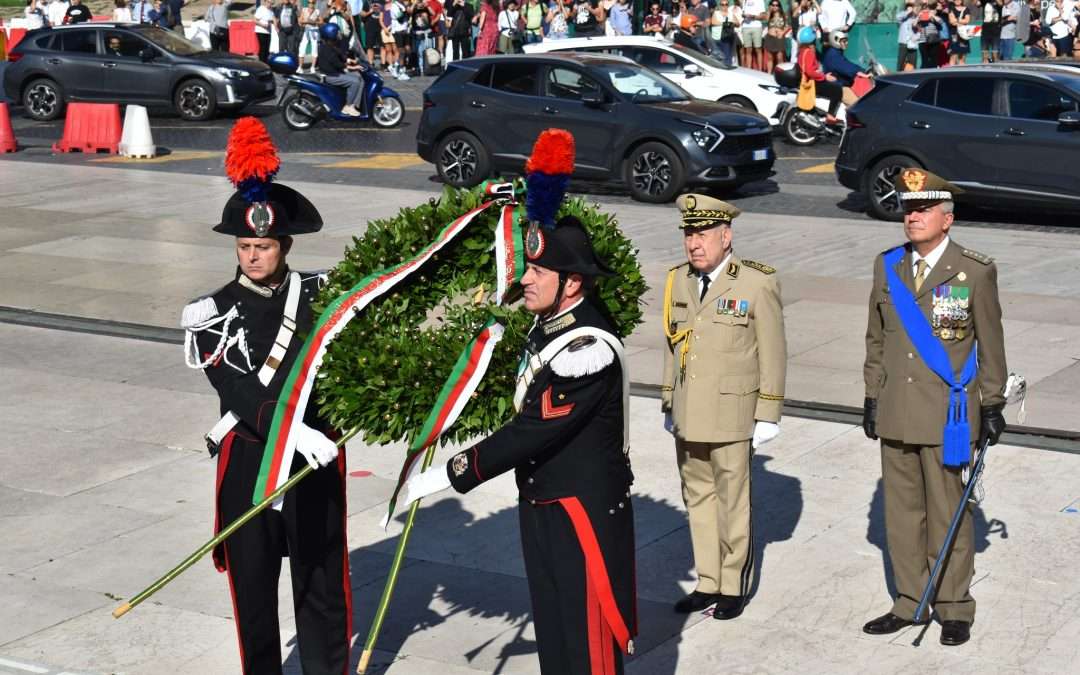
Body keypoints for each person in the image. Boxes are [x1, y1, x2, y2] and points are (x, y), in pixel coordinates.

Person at [401, 202, 637, 675]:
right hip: (544, 502)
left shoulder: (586, 348)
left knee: (586, 641)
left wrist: (454, 471)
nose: (525, 279)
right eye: (528, 267)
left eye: (538, 270)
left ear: (571, 283)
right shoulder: (551, 325)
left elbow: (534, 428)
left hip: (579, 512)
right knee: (555, 632)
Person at [181, 119, 352, 674]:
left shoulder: (320, 296)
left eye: (264, 246)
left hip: (310, 465)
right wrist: (289, 428)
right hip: (252, 467)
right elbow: (234, 387)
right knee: (255, 602)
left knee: (320, 591)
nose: (253, 256)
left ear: (285, 246)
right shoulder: (210, 315)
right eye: (245, 245)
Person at [862, 168, 1007, 648]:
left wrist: (992, 403)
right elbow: (876, 341)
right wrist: (871, 396)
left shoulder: (974, 271)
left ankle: (953, 607)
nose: (912, 217)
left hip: (948, 415)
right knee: (901, 514)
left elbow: (990, 343)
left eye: (922, 209)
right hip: (897, 409)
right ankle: (910, 602)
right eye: (908, 209)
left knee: (948, 512)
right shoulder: (889, 266)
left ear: (948, 218)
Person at [662, 194, 786, 621]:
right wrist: (667, 400)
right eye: (689, 234)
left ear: (726, 235)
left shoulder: (756, 282)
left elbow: (773, 351)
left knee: (733, 501)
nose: (694, 244)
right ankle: (708, 580)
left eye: (702, 234)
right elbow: (672, 346)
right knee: (697, 496)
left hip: (733, 413)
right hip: (689, 411)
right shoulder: (677, 280)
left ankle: (733, 584)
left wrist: (768, 412)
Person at [796, 25, 843, 123]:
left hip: (813, 79)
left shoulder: (802, 51)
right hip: (812, 82)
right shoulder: (808, 52)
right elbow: (809, 71)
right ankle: (830, 115)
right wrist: (824, 76)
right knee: (837, 89)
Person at [318, 22, 366, 116]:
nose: (339, 34)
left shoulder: (331, 45)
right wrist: (353, 67)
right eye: (337, 32)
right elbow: (338, 64)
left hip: (335, 73)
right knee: (355, 81)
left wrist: (351, 60)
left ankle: (354, 104)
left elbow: (340, 55)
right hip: (330, 76)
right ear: (331, 34)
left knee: (359, 77)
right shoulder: (326, 49)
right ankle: (347, 107)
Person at [914, 1, 945, 68]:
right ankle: (924, 75)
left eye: (927, 9)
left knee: (934, 60)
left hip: (934, 40)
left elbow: (941, 22)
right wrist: (918, 17)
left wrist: (932, 16)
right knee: (924, 61)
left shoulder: (933, 16)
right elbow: (913, 25)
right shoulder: (920, 16)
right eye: (924, 9)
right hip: (923, 41)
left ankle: (933, 75)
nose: (926, 10)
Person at [710, 0, 740, 65]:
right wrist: (725, 23)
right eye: (722, 4)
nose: (724, 6)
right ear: (720, 5)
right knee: (717, 57)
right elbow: (713, 22)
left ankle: (727, 69)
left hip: (726, 37)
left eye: (726, 4)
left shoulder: (731, 14)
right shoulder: (716, 13)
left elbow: (738, 24)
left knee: (727, 56)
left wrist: (731, 23)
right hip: (716, 38)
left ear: (728, 5)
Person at [741, 0, 767, 70]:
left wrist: (753, 17)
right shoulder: (745, 1)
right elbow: (743, 13)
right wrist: (744, 15)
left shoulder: (760, 1)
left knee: (758, 49)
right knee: (748, 49)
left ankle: (760, 70)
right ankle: (749, 70)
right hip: (745, 26)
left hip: (757, 26)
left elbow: (763, 16)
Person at [763, 0, 788, 72]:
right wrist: (769, 11)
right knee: (770, 58)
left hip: (779, 38)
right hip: (770, 38)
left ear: (779, 6)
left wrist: (782, 33)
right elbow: (766, 20)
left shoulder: (784, 15)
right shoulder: (768, 14)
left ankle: (781, 74)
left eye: (777, 5)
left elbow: (788, 26)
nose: (775, 7)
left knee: (779, 58)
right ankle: (769, 74)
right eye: (773, 5)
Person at [298, 0, 321, 72]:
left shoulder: (317, 11)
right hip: (306, 30)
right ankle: (300, 67)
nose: (311, 4)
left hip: (314, 31)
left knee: (314, 48)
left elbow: (321, 22)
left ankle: (313, 67)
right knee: (302, 47)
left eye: (312, 2)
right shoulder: (304, 10)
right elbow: (301, 21)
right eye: (309, 2)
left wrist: (313, 22)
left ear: (315, 3)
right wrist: (305, 22)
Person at [896, 1, 919, 71]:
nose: (911, 9)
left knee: (913, 64)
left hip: (912, 43)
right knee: (901, 61)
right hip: (904, 42)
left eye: (912, 7)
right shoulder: (903, 16)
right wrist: (907, 12)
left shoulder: (916, 17)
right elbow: (898, 17)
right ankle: (897, 76)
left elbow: (917, 27)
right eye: (909, 7)